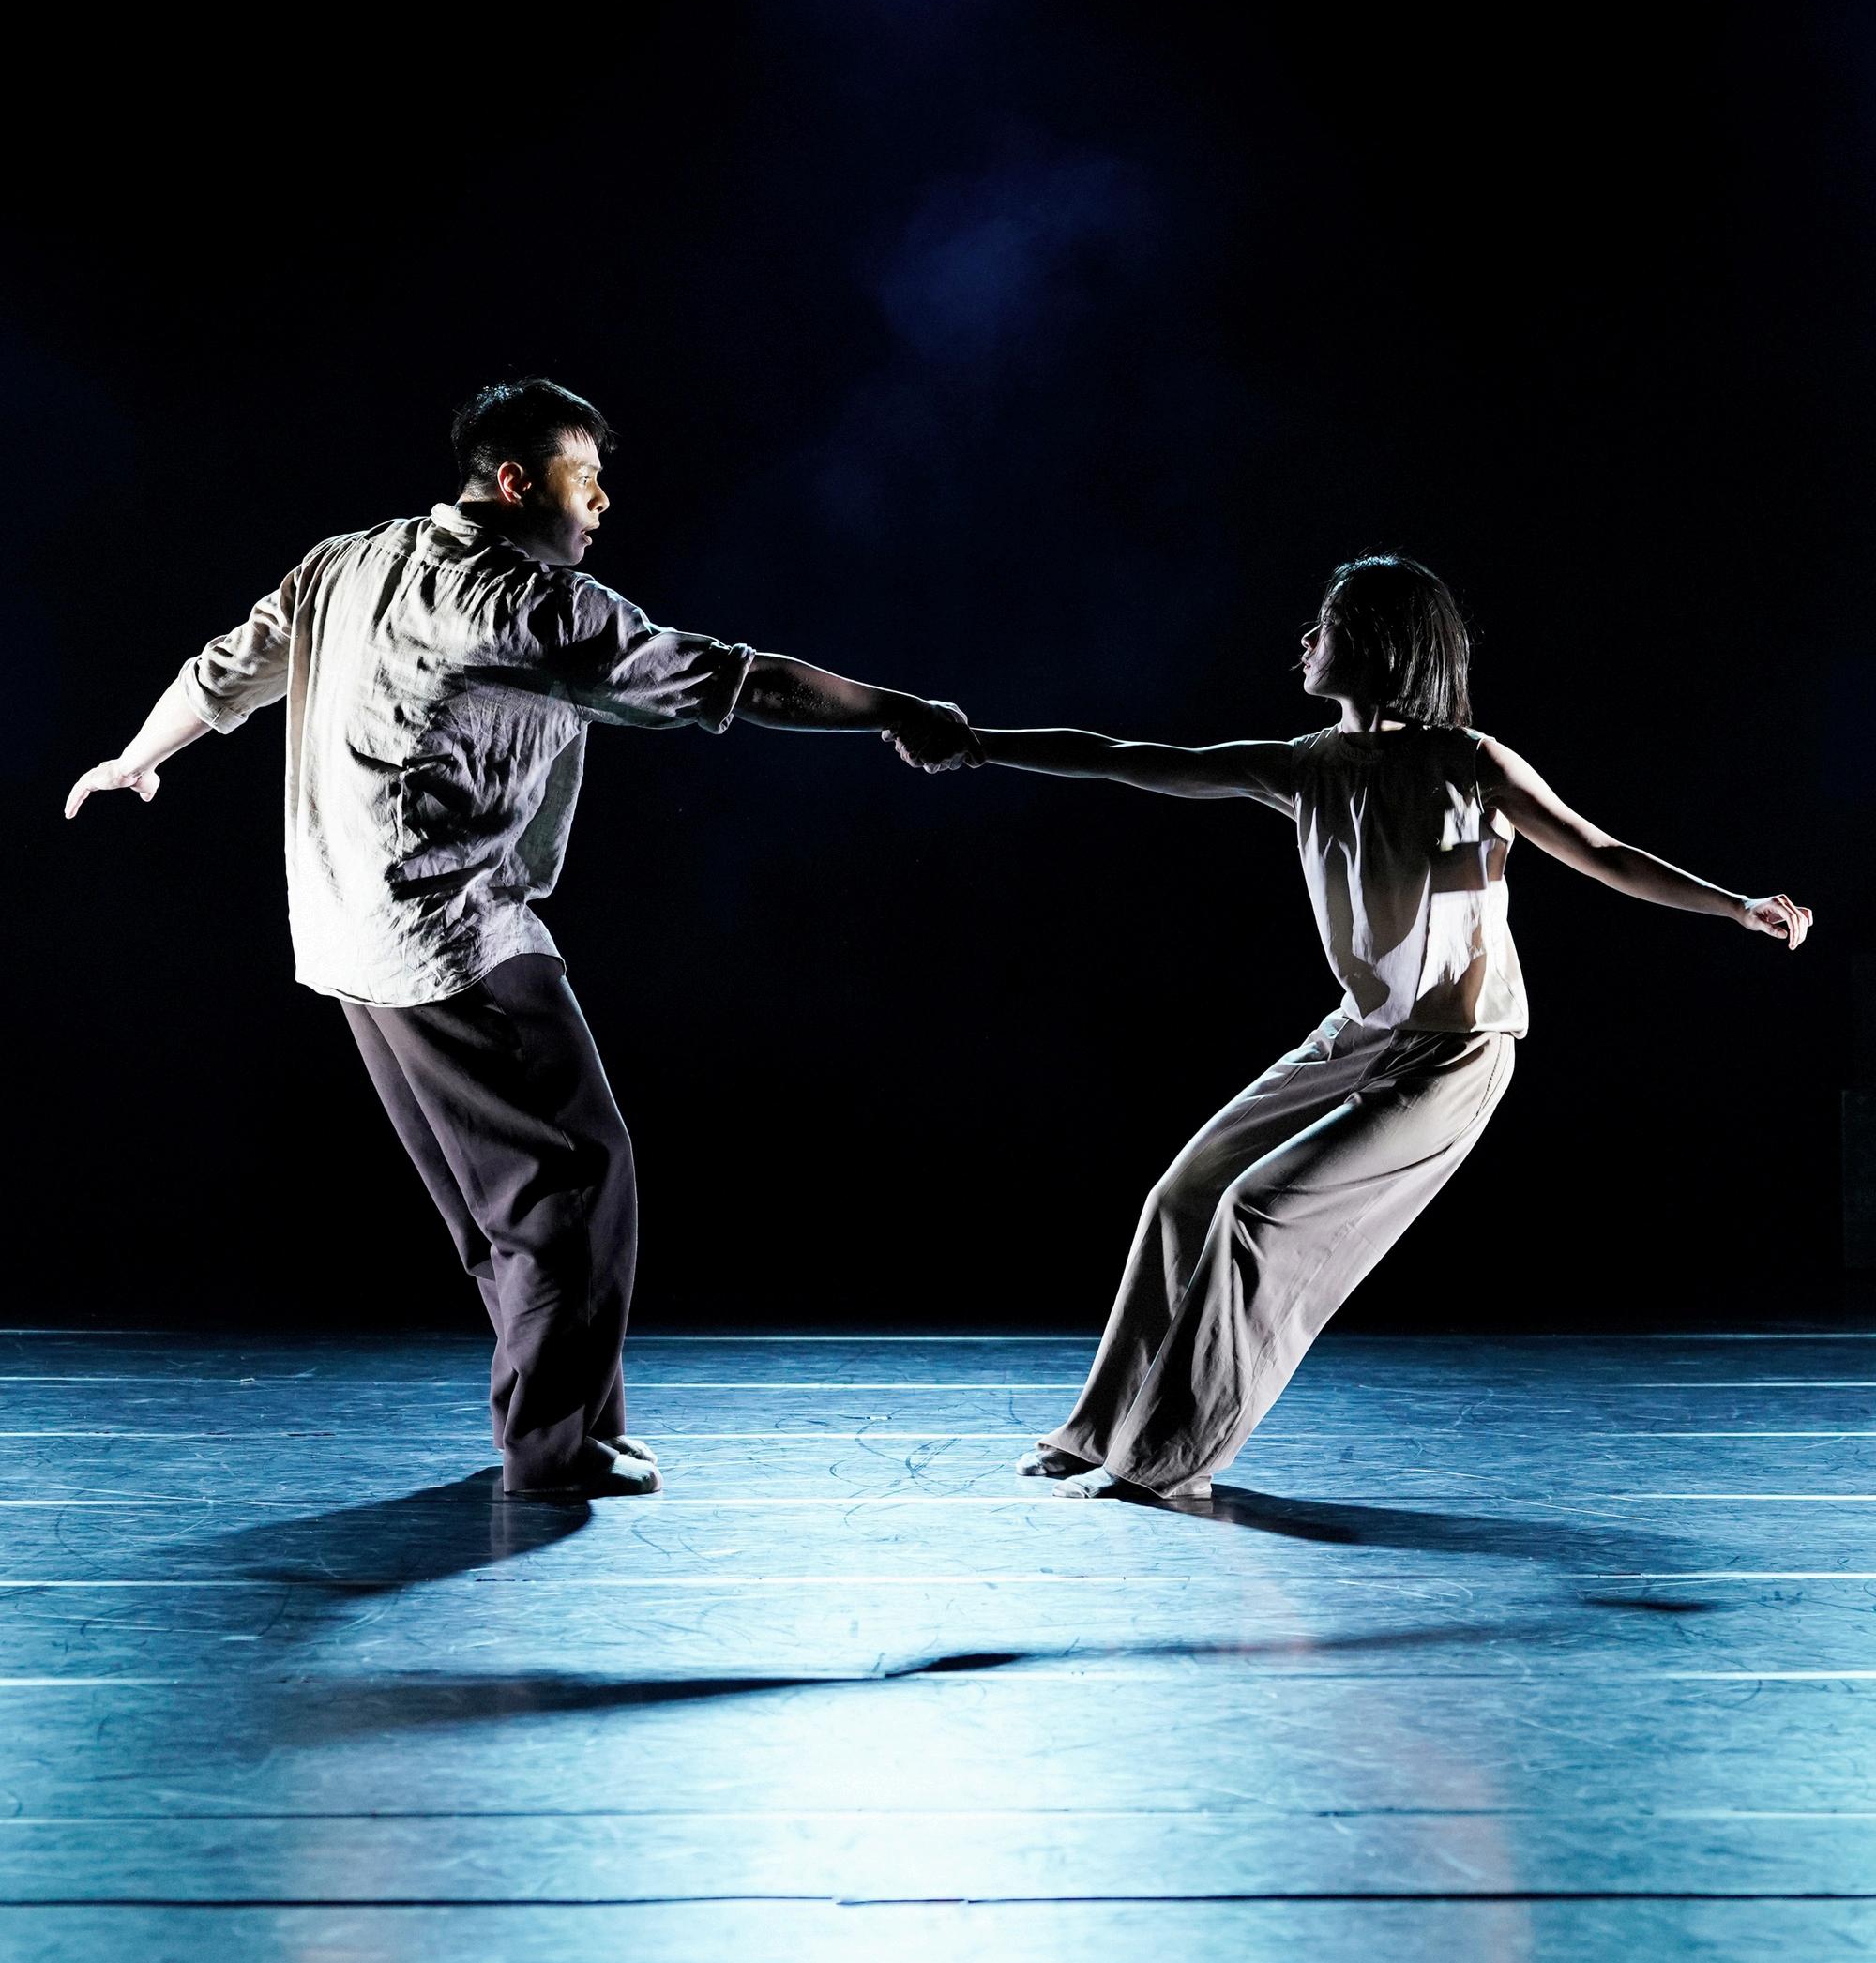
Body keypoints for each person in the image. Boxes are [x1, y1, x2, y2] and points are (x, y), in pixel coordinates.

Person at [65, 378, 979, 1500]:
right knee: (575, 1179)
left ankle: (566, 1423)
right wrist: (894, 709)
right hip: (447, 932)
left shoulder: (346, 563)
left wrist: (138, 757)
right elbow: (733, 680)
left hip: (346, 931)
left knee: (499, 1205)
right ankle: (551, 1448)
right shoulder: (536, 606)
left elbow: (229, 670)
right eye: (582, 479)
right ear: (515, 483)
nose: (601, 503)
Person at [894, 552, 1811, 1504]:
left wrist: (1735, 907)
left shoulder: (1471, 763)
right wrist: (978, 743)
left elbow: (1600, 851)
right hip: (1359, 1035)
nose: (1303, 640)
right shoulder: (1306, 767)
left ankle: (1167, 1460)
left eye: (1323, 625)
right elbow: (1129, 758)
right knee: (1183, 1194)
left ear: (1376, 644)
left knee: (1257, 1212)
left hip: (1456, 1052)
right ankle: (1098, 1431)